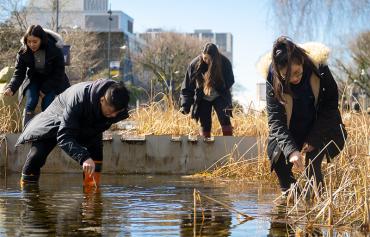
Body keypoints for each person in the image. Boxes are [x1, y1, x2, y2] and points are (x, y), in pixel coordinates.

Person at [260, 36, 347, 198]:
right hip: (292, 129)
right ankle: (294, 203)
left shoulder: (319, 68)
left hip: (322, 127)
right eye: (287, 76)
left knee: (312, 166)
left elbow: (330, 108)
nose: (293, 79)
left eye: (297, 72)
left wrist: (314, 139)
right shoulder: (272, 78)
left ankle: (317, 207)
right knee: (279, 161)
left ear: (302, 61)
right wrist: (292, 151)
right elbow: (276, 122)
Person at [16, 79, 130, 186]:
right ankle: (28, 194)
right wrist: (83, 157)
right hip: (56, 120)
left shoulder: (118, 103)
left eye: (117, 112)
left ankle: (92, 193)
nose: (114, 116)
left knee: (96, 152)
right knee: (36, 156)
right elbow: (64, 137)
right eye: (110, 112)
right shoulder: (78, 99)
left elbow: (107, 119)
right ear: (102, 100)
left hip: (88, 124)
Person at [3, 25, 70, 127]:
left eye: (35, 41)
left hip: (52, 79)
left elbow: (59, 73)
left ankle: (47, 130)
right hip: (34, 79)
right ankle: (26, 131)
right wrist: (11, 87)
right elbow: (19, 72)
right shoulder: (23, 51)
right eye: (29, 41)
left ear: (41, 40)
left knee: (48, 103)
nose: (31, 44)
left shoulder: (54, 50)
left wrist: (45, 89)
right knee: (31, 101)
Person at [180, 43, 234, 138]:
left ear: (215, 57)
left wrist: (218, 86)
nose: (206, 61)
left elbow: (230, 80)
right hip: (203, 97)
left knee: (225, 119)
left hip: (220, 95)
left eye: (209, 59)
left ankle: (229, 145)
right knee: (205, 123)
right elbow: (187, 86)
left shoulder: (225, 63)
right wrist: (185, 105)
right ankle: (205, 146)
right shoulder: (194, 64)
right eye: (205, 58)